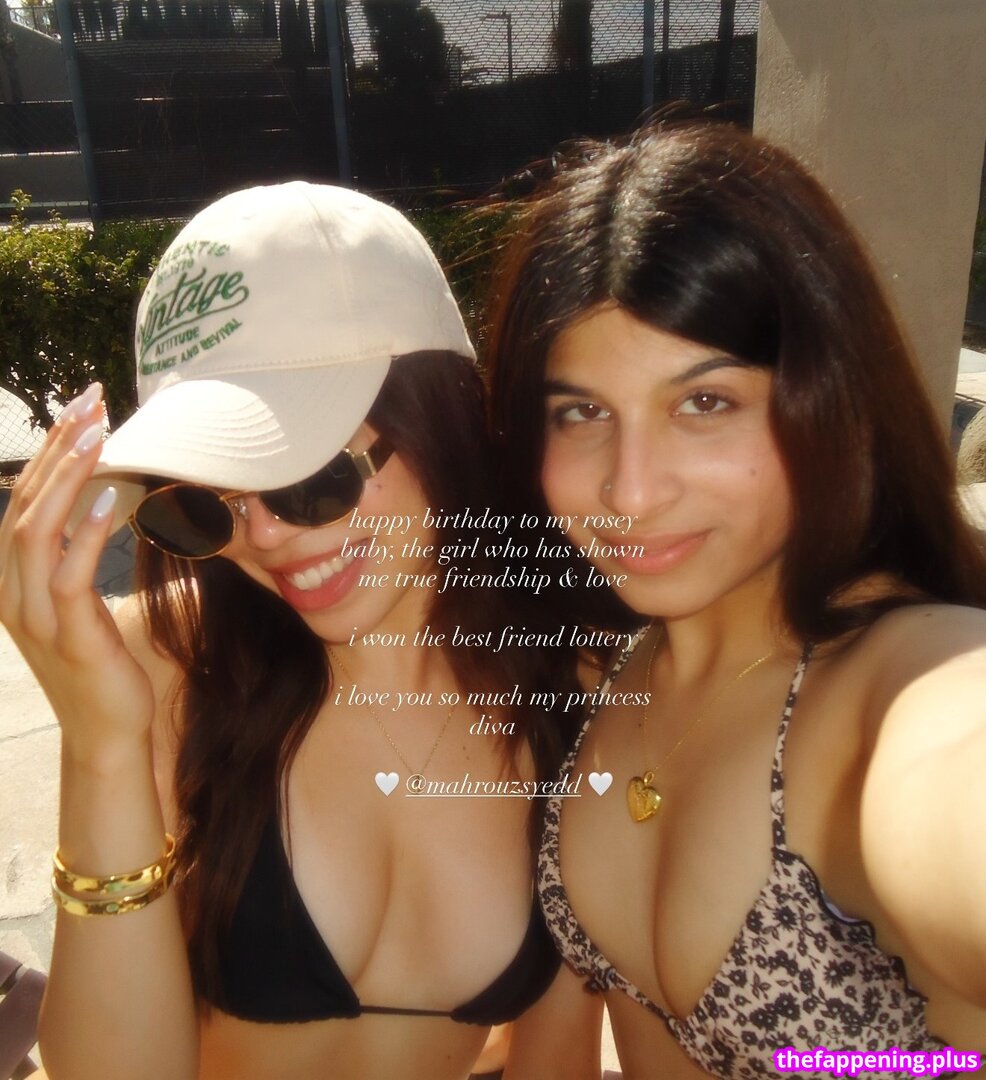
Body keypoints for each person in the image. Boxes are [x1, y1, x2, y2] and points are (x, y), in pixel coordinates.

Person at [0, 182, 588, 1080]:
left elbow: (559, 1054)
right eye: (207, 504)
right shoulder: (166, 662)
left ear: (439, 418)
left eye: (311, 479)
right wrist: (102, 745)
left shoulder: (569, 688)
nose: (264, 536)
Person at [484, 122, 986, 1078]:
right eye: (581, 412)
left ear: (828, 397)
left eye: (705, 403)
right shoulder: (605, 668)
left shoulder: (899, 684)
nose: (631, 490)